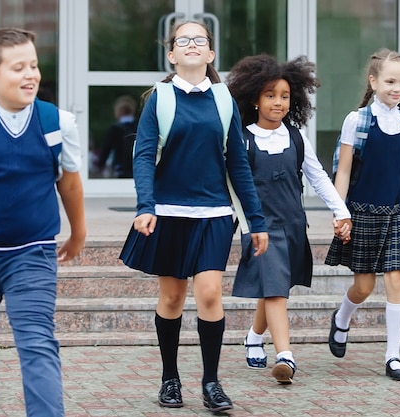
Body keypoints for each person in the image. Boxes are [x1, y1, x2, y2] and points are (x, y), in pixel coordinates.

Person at [119, 21, 268, 413]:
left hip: (214, 213)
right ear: (172, 55)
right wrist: (145, 206)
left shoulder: (223, 100)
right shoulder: (161, 99)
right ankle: (170, 378)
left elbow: (238, 163)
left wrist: (256, 220)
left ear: (210, 54)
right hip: (168, 213)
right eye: (182, 40)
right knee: (171, 297)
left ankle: (211, 382)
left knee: (209, 293)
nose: (190, 44)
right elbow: (144, 156)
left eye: (198, 40)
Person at [0, 28, 86, 416]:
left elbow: (69, 182)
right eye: (17, 67)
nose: (30, 75)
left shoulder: (58, 122)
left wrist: (78, 232)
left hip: (31, 253)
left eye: (34, 65)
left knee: (37, 342)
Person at [226, 54, 352, 384]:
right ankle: (286, 357)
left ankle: (254, 336)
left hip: (294, 224)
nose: (278, 102)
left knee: (275, 289)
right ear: (254, 99)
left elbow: (319, 177)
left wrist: (341, 211)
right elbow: (230, 186)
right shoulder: (242, 139)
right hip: (259, 229)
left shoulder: (296, 137)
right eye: (270, 95)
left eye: (284, 96)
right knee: (276, 291)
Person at [324, 49, 400, 381]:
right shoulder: (358, 120)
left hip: (397, 212)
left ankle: (392, 357)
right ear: (374, 81)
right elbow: (343, 172)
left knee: (396, 279)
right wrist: (340, 213)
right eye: (390, 81)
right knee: (364, 287)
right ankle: (342, 318)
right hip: (362, 212)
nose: (397, 88)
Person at [97, 95, 138, 178]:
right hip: (136, 166)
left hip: (120, 167)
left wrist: (100, 166)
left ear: (120, 111)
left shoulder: (116, 128)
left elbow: (106, 148)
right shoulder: (139, 126)